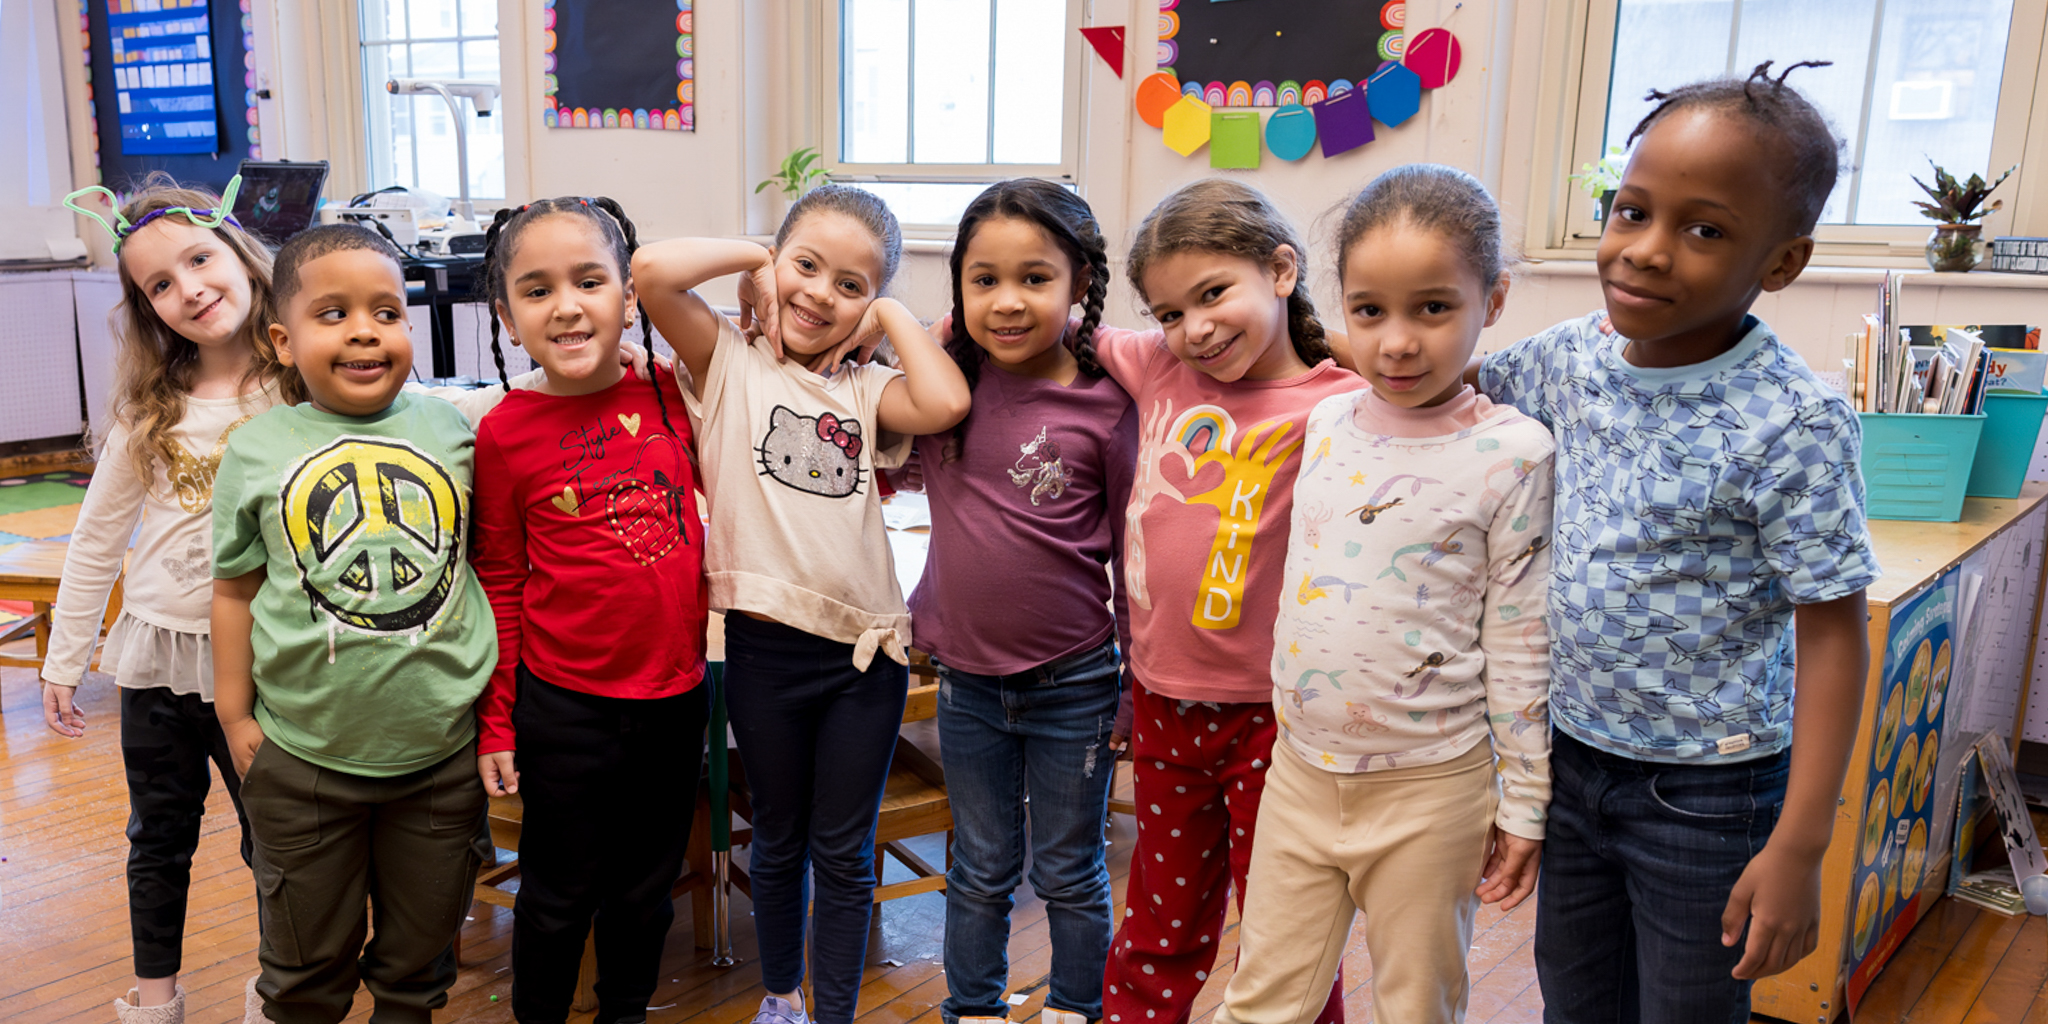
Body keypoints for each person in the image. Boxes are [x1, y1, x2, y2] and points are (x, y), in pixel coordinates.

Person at [42, 176, 521, 1024]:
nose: (187, 287)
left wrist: (575, 368)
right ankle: (160, 999)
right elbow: (95, 540)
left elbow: (445, 409)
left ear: (242, 260)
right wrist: (65, 656)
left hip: (287, 674)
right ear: (146, 308)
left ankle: (291, 983)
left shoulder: (317, 383)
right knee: (166, 839)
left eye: (198, 259)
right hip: (169, 656)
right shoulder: (153, 415)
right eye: (160, 283)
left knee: (288, 851)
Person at [1474, 62, 1878, 1021]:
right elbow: (1443, 389)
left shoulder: (1794, 418)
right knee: (1576, 1003)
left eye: (1704, 230)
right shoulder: (1568, 359)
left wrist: (1800, 844)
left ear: (1780, 264)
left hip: (1710, 794)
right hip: (1570, 761)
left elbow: (1834, 633)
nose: (1645, 251)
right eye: (1631, 210)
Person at [1219, 164, 1553, 1024]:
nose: (1397, 342)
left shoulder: (1515, 452)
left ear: (1496, 297)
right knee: (1262, 999)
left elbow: (1520, 640)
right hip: (1298, 770)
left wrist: (1525, 801)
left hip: (1432, 789)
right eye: (1369, 311)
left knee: (1417, 1004)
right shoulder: (1328, 420)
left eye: (1433, 308)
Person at [633, 185, 970, 1024]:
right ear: (776, 266)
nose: (821, 293)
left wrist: (889, 314)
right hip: (760, 649)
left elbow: (946, 401)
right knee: (780, 839)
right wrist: (755, 258)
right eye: (806, 267)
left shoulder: (867, 390)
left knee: (845, 852)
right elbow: (650, 272)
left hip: (866, 658)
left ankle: (836, 1013)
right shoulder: (728, 363)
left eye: (850, 285)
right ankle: (781, 996)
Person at [211, 223, 501, 1024]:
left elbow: (483, 568)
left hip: (439, 760)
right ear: (281, 340)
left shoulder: (453, 432)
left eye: (387, 310)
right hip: (304, 762)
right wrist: (233, 713)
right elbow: (233, 591)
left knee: (417, 971)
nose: (365, 330)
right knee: (305, 976)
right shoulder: (257, 449)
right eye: (333, 313)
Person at [1093, 179, 1360, 1024]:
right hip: (1164, 707)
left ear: (1282, 268)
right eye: (1170, 311)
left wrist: (1346, 341)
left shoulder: (1342, 402)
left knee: (1286, 938)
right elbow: (1055, 315)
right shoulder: (1159, 368)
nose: (1195, 328)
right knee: (1156, 929)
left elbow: (1423, 357)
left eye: (1213, 294)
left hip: (1275, 723)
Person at [468, 197, 710, 1024]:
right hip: (564, 708)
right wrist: (497, 723)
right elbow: (498, 579)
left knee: (645, 895)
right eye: (536, 291)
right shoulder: (504, 432)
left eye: (590, 281)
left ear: (629, 296)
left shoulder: (674, 389)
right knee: (557, 896)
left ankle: (625, 1014)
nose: (567, 306)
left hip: (676, 701)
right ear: (506, 318)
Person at [909, 179, 1135, 1024]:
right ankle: (971, 1008)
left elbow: (1134, 553)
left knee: (1070, 870)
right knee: (978, 864)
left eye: (1035, 279)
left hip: (1074, 682)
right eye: (983, 279)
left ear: (1080, 281)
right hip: (966, 683)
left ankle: (1077, 1007)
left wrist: (1132, 679)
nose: (1007, 302)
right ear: (960, 285)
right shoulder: (945, 387)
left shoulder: (1108, 401)